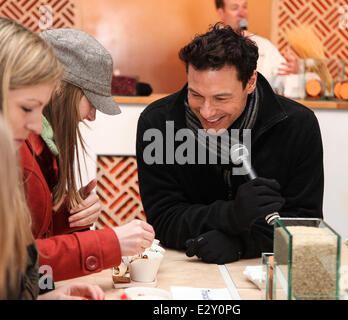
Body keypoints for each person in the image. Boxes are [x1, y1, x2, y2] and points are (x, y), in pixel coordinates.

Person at [136, 23, 324, 264]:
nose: (206, 111)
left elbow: (304, 225)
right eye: (195, 95)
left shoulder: (297, 125)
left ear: (250, 82)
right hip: (182, 265)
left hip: (264, 268)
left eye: (221, 98)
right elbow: (164, 220)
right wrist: (233, 214)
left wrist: (242, 245)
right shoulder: (158, 123)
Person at [16, 28, 155, 281]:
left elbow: (30, 238)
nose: (92, 116)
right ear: (59, 88)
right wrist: (108, 242)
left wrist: (69, 215)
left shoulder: (44, 144)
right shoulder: (16, 146)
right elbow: (17, 262)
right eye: (91, 101)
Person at [0, 17, 104, 299]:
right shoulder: (19, 151)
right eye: (27, 107)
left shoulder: (30, 147)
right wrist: (107, 244)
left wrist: (74, 218)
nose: (36, 125)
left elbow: (18, 269)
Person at [215, 0, 303, 98]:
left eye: (244, 7)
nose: (242, 13)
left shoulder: (264, 46)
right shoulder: (211, 45)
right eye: (235, 8)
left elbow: (285, 86)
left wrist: (294, 72)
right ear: (221, 13)